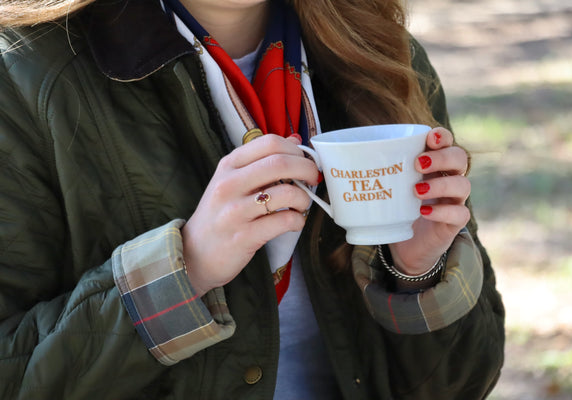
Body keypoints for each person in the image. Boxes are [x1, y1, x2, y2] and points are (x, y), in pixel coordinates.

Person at [0, 0, 505, 398]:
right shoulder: (23, 77)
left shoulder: (381, 54)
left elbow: (462, 385)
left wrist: (418, 273)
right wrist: (185, 269)